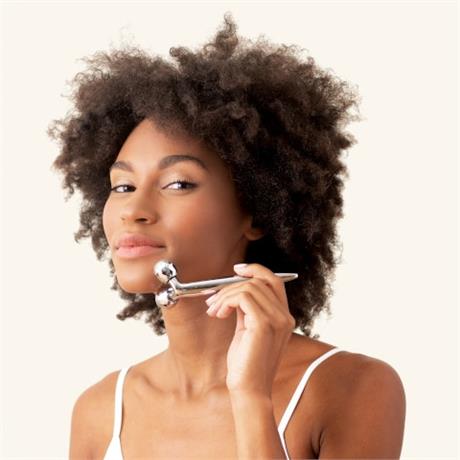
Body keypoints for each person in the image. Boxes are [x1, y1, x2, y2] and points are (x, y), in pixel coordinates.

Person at [48, 12, 406, 459]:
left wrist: (251, 395)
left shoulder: (352, 386)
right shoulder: (100, 410)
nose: (133, 211)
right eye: (122, 186)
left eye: (178, 183)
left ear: (257, 210)